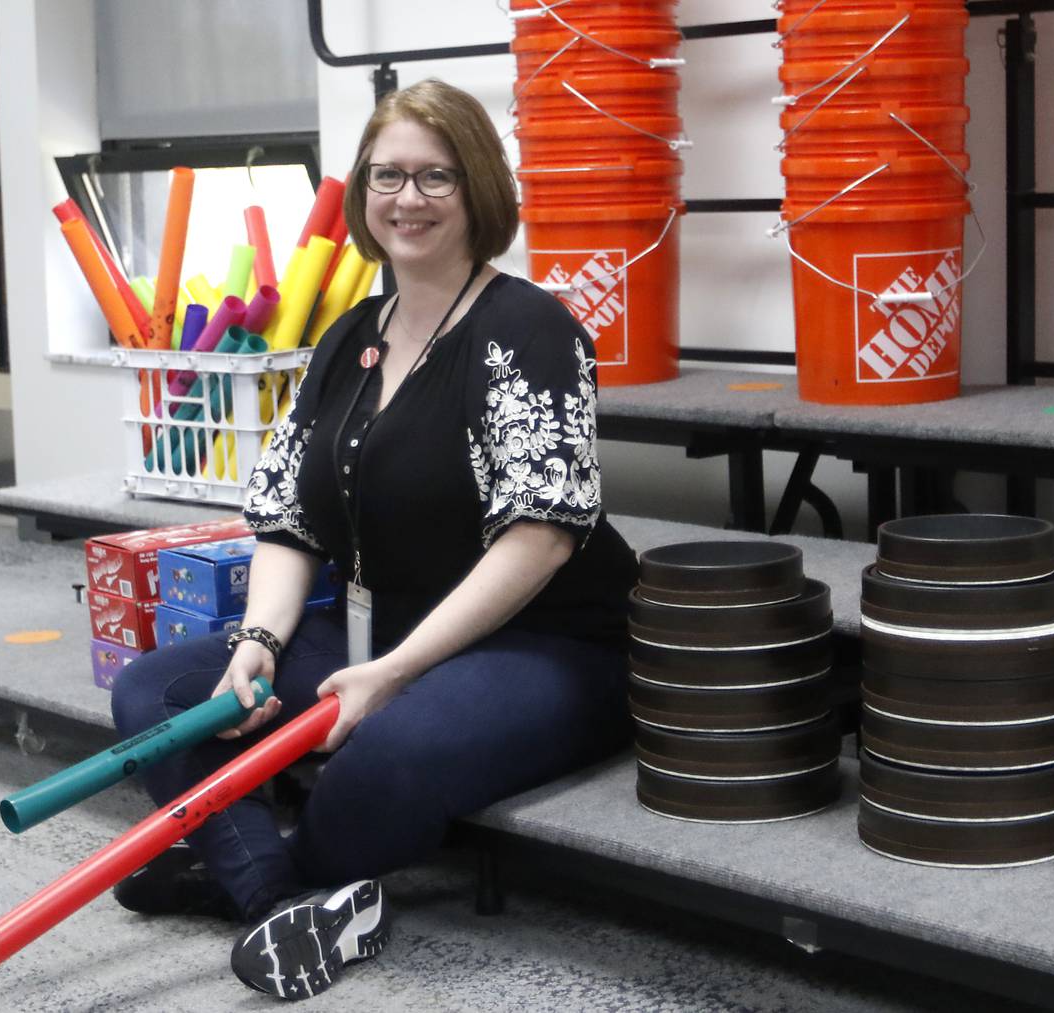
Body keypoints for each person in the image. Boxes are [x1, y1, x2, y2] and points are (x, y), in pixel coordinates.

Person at [110, 78, 639, 1001]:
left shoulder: (529, 329)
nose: (409, 199)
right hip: (385, 629)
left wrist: (391, 675)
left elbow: (542, 537)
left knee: (386, 755)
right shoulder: (345, 337)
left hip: (546, 643)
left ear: (479, 189)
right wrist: (260, 643)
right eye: (387, 175)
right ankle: (280, 897)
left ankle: (237, 871)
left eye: (436, 177)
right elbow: (287, 515)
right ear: (362, 194)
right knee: (156, 686)